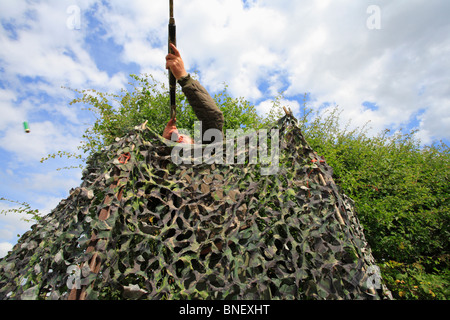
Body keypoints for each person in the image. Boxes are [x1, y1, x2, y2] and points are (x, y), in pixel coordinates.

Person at [163, 43, 224, 144]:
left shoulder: (210, 153)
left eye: (180, 136)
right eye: (178, 138)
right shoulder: (161, 158)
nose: (177, 137)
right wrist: (163, 143)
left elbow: (213, 119)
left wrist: (184, 78)